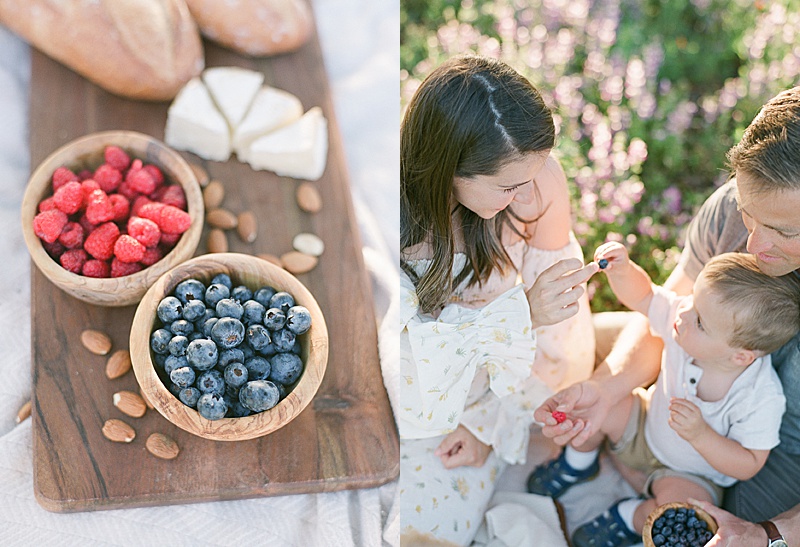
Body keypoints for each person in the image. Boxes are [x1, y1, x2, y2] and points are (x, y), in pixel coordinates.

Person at [533, 86, 800, 546]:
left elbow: (750, 462)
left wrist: (771, 533)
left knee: (691, 525)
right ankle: (609, 464)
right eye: (748, 214)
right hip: (694, 367)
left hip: (776, 458)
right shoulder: (734, 209)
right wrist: (607, 387)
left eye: (783, 231)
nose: (754, 246)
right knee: (580, 345)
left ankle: (635, 502)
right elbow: (665, 311)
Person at [399, 54, 597, 546]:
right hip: (414, 397)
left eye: (534, 174)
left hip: (497, 392)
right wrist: (519, 314)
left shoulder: (538, 186)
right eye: (509, 185)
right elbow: (399, 357)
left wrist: (491, 423)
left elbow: (558, 342)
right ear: (449, 168)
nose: (528, 194)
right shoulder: (392, 224)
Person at [529, 245, 800, 546]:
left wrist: (701, 435)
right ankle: (579, 461)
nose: (684, 311)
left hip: (690, 474)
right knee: (602, 405)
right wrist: (624, 271)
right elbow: (646, 297)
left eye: (700, 321)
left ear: (740, 357)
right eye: (693, 300)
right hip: (645, 425)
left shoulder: (759, 396)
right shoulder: (684, 320)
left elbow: (749, 462)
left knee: (684, 513)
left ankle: (629, 515)